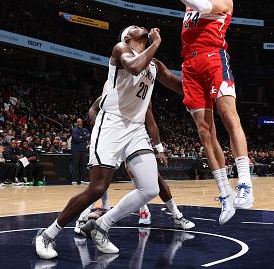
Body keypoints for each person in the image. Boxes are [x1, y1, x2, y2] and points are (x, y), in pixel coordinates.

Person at [35, 26, 179, 259]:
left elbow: (177, 85)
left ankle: (101, 226)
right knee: (98, 189)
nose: (140, 27)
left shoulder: (154, 63)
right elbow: (133, 68)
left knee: (150, 187)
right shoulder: (121, 48)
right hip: (111, 123)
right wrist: (156, 43)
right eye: (134, 28)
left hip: (135, 128)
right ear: (128, 37)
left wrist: (208, 88)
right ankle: (47, 235)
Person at [159, 0, 254, 224]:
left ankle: (245, 185)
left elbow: (200, 6)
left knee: (229, 117)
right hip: (190, 64)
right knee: (204, 131)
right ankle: (225, 194)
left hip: (214, 59)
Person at [74, 94, 195, 233]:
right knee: (100, 181)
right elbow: (92, 110)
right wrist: (102, 126)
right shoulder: (115, 89)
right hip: (112, 137)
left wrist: (159, 149)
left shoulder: (143, 93)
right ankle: (84, 217)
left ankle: (175, 215)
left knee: (153, 178)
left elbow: (151, 123)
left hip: (133, 139)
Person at [71, 117, 90, 185]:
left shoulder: (85, 129)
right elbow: (76, 139)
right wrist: (84, 138)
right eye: (77, 122)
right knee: (75, 165)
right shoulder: (74, 130)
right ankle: (74, 180)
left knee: (83, 165)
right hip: (76, 150)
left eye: (80, 121)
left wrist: (81, 137)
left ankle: (83, 179)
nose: (79, 123)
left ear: (82, 122)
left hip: (83, 150)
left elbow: (88, 136)